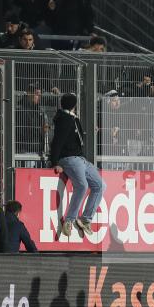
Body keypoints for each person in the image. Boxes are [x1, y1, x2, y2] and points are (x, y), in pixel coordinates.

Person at [50, 92, 105, 238]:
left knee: (100, 185)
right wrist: (55, 162)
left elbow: (74, 135)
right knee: (82, 185)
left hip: (80, 158)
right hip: (70, 158)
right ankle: (69, 220)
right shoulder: (65, 120)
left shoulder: (72, 118)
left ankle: (86, 219)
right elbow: (57, 141)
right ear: (74, 105)